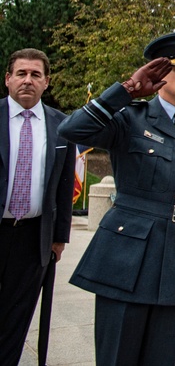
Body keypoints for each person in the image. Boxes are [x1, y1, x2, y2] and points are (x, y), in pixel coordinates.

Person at [58, 31, 175, 366]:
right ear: (158, 73)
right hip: (127, 259)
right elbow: (70, 131)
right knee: (118, 357)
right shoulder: (128, 118)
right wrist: (124, 92)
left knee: (162, 359)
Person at [1, 48, 75, 366]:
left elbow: (62, 187)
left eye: (35, 74)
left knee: (15, 322)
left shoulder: (62, 126)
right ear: (8, 79)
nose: (27, 81)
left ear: (47, 82)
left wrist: (59, 238)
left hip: (33, 240)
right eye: (21, 73)